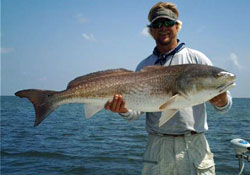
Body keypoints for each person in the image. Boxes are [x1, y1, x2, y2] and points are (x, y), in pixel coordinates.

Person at [105, 2, 232, 175]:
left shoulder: (197, 59)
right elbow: (135, 112)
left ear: (177, 27)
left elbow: (224, 106)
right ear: (151, 31)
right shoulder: (144, 66)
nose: (163, 28)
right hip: (157, 147)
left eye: (168, 23)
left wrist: (222, 100)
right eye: (157, 24)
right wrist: (123, 109)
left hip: (194, 146)